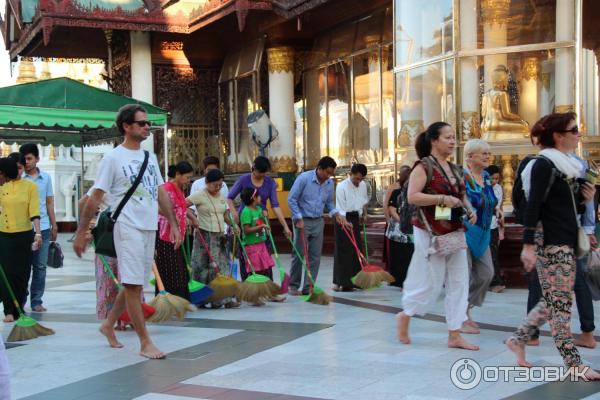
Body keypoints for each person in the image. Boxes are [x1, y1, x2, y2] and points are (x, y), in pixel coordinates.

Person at [73, 104, 181, 359]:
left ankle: (108, 324)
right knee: (133, 286)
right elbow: (94, 197)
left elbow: (159, 192)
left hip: (148, 226)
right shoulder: (113, 158)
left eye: (148, 124)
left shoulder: (150, 157)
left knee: (134, 283)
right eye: (142, 123)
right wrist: (80, 232)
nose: (147, 128)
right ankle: (145, 342)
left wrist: (173, 223)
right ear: (127, 126)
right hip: (126, 225)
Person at [505, 112, 600, 380]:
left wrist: (584, 200)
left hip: (565, 239)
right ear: (558, 136)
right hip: (550, 243)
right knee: (560, 305)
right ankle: (574, 364)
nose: (578, 134)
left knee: (555, 300)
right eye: (574, 130)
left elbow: (563, 209)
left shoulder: (566, 167)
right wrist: (527, 245)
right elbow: (533, 206)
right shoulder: (543, 165)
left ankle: (518, 339)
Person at [396, 122, 479, 351]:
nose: (452, 141)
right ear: (434, 140)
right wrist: (441, 200)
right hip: (429, 230)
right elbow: (413, 197)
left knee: (460, 281)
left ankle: (455, 333)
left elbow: (461, 197)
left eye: (454, 137)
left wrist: (469, 210)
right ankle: (406, 314)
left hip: (454, 230)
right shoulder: (423, 167)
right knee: (430, 281)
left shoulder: (455, 169)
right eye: (447, 137)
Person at [227, 156, 292, 280]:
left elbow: (275, 205)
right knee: (246, 257)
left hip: (262, 221)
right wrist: (234, 213)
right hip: (245, 221)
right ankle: (250, 288)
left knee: (265, 255)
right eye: (259, 173)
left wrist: (285, 226)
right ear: (253, 169)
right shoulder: (243, 179)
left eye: (264, 173)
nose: (262, 175)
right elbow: (229, 197)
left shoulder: (270, 182)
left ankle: (268, 288)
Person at [288, 156, 344, 296]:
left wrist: (335, 214)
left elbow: (329, 203)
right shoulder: (303, 178)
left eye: (331, 173)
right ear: (319, 168)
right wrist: (298, 217)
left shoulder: (329, 184)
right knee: (299, 253)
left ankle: (309, 287)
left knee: (315, 256)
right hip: (302, 220)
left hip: (318, 221)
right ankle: (293, 286)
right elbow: (292, 199)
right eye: (327, 172)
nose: (328, 176)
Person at [186, 168, 240, 309]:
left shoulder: (221, 196)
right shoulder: (199, 195)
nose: (218, 188)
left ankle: (222, 299)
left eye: (220, 185)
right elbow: (182, 205)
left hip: (219, 236)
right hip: (204, 236)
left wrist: (233, 225)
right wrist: (192, 218)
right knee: (202, 268)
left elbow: (225, 215)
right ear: (207, 183)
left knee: (220, 268)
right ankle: (201, 299)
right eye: (215, 185)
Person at [0, 156, 42, 322]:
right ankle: (9, 309)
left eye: (19, 168)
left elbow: (34, 211)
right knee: (6, 274)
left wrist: (38, 233)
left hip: (24, 235)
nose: (5, 182)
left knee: (22, 273)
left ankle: (19, 308)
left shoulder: (30, 187)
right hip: (4, 234)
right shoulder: (3, 184)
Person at [461, 139, 497, 334]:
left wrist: (496, 210)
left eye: (488, 153)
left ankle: (466, 307)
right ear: (469, 156)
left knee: (486, 273)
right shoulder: (462, 177)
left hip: (484, 232)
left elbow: (490, 200)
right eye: (483, 153)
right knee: (463, 276)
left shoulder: (486, 177)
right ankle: (462, 315)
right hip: (465, 232)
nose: (487, 156)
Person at [20, 143, 57, 313]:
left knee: (40, 266)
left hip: (43, 228)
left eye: (29, 158)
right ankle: (21, 299)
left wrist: (54, 224)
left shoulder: (46, 178)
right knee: (23, 266)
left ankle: (36, 301)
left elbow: (49, 202)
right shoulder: (19, 178)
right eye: (24, 159)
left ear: (37, 159)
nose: (27, 162)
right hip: (23, 229)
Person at [156, 161, 196, 300]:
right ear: (178, 174)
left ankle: (180, 301)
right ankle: (169, 300)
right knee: (170, 269)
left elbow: (182, 206)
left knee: (180, 269)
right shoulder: (166, 188)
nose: (188, 181)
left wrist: (191, 219)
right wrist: (172, 218)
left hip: (179, 234)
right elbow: (156, 207)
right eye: (187, 177)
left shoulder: (181, 188)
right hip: (165, 234)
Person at [239, 187, 285, 304]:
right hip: (251, 246)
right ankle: (253, 296)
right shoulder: (246, 212)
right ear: (253, 198)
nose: (261, 198)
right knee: (255, 272)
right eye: (258, 196)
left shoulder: (259, 209)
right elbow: (247, 230)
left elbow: (262, 223)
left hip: (261, 244)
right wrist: (261, 227)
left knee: (266, 270)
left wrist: (265, 219)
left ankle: (270, 294)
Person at [333, 163, 368, 292]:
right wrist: (345, 222)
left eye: (361, 179)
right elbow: (340, 208)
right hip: (342, 218)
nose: (358, 181)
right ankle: (341, 281)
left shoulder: (363, 185)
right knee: (343, 251)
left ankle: (356, 280)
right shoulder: (341, 186)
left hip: (355, 218)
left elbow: (363, 201)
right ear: (350, 174)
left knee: (356, 249)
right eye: (356, 178)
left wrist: (364, 213)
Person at [386, 165, 414, 289]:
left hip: (411, 231)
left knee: (410, 255)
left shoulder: (415, 195)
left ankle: (409, 279)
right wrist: (403, 222)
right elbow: (392, 210)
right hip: (398, 231)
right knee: (398, 255)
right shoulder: (397, 193)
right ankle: (397, 280)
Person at [486, 164, 505, 293]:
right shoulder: (483, 187)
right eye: (491, 179)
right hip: (483, 225)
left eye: (496, 179)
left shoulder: (498, 189)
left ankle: (496, 282)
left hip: (494, 224)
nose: (494, 181)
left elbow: (500, 207)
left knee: (493, 254)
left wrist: (502, 227)